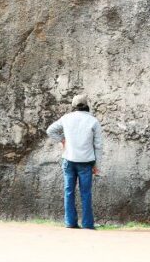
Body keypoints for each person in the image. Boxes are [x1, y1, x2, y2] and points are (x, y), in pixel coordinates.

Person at [46, 94, 104, 229]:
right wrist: (97, 165)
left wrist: (62, 139)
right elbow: (98, 146)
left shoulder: (66, 118)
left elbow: (50, 130)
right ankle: (87, 224)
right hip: (86, 162)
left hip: (69, 160)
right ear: (87, 105)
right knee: (86, 193)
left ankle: (70, 222)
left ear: (73, 106)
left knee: (68, 191)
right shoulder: (93, 121)